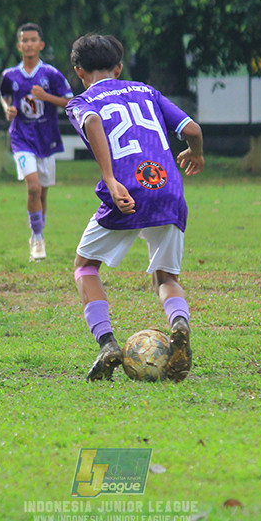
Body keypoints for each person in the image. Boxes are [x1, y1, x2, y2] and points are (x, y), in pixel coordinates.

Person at [65, 34, 204, 382]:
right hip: (168, 190)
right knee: (166, 277)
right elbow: (191, 128)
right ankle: (179, 323)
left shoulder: (81, 100)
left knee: (85, 267)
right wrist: (196, 152)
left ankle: (108, 343)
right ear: (119, 67)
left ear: (79, 70)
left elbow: (93, 122)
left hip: (126, 191)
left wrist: (111, 181)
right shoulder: (146, 90)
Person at [0, 23, 74, 261]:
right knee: (32, 187)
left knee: (42, 192)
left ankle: (38, 231)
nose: (29, 44)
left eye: (33, 40)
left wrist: (46, 97)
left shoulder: (50, 74)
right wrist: (7, 109)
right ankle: (37, 238)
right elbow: (4, 96)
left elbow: (70, 101)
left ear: (41, 45)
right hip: (21, 138)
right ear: (19, 45)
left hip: (47, 139)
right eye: (24, 40)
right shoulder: (10, 75)